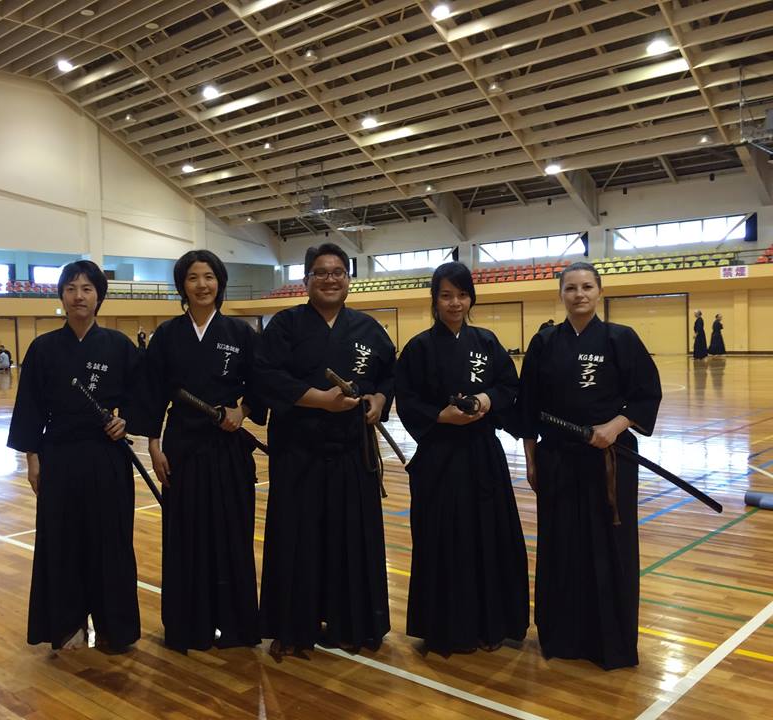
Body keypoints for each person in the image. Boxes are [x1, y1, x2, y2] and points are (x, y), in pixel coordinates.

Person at [515, 261, 662, 670]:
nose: (579, 295)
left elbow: (646, 394)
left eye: (586, 287)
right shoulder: (545, 342)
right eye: (571, 288)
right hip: (557, 458)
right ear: (561, 294)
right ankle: (562, 637)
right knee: (561, 544)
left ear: (599, 291)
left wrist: (614, 427)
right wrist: (531, 460)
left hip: (609, 460)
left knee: (610, 545)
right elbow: (528, 406)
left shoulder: (621, 338)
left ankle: (610, 642)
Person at [255, 242, 395, 656]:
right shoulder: (285, 325)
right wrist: (319, 399)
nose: (330, 279)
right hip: (298, 451)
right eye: (321, 272)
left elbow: (389, 376)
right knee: (296, 539)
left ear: (348, 279)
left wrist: (379, 400)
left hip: (352, 451)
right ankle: (292, 627)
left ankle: (350, 624)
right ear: (307, 280)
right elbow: (266, 376)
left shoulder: (369, 328)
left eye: (338, 272)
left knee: (350, 539)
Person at [7, 260, 145, 653]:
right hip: (60, 455)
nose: (78, 296)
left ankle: (114, 627)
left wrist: (125, 420)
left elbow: (141, 395)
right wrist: (33, 459)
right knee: (62, 540)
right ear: (61, 296)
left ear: (99, 296)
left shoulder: (119, 345)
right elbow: (30, 406)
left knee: (111, 540)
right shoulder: (43, 348)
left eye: (86, 288)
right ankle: (68, 625)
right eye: (71, 288)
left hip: (107, 454)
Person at [395, 262, 528, 655]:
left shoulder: (486, 341)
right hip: (439, 457)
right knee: (443, 538)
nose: (455, 303)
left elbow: (508, 385)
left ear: (472, 298)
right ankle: (446, 629)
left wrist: (486, 399)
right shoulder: (419, 347)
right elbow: (407, 400)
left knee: (488, 535)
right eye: (446, 295)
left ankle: (491, 624)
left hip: (482, 454)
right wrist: (440, 416)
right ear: (435, 300)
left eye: (462, 295)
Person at [145, 250, 266, 652]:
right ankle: (188, 626)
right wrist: (154, 445)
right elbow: (152, 394)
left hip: (228, 447)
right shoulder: (167, 335)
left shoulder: (241, 333)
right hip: (182, 446)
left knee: (233, 532)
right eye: (193, 277)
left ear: (220, 282)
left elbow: (261, 385)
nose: (202, 285)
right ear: (182, 285)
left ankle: (237, 626)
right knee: (186, 535)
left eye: (209, 276)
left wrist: (241, 411)